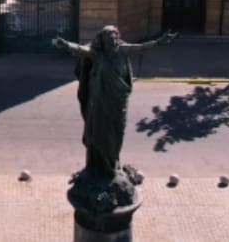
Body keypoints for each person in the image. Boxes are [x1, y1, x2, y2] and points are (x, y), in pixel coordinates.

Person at [52, 26, 176, 178]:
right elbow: (81, 50)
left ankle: (113, 161)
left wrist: (159, 42)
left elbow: (142, 48)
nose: (113, 42)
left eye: (114, 39)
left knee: (116, 133)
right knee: (99, 133)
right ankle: (101, 166)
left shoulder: (123, 50)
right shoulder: (98, 55)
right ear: (103, 42)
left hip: (118, 101)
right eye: (109, 40)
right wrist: (66, 45)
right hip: (100, 102)